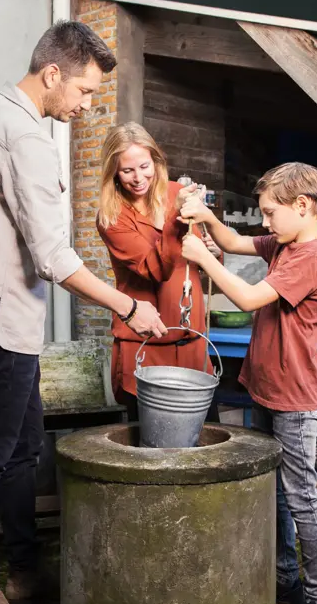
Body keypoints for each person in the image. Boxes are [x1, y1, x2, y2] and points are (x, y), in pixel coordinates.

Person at [0, 21, 168, 604]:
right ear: (52, 74)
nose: (85, 108)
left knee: (23, 447)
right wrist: (128, 307)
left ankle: (25, 570)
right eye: (82, 92)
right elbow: (55, 258)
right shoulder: (24, 138)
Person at [178, 161, 317, 604]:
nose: (265, 223)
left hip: (294, 395)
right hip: (269, 387)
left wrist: (202, 259)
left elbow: (250, 298)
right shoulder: (287, 244)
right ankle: (287, 578)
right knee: (277, 493)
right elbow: (234, 243)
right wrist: (207, 221)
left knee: (302, 500)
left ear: (303, 206)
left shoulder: (312, 257)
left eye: (272, 213)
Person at [95, 123, 222, 421]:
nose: (139, 178)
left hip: (192, 344)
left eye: (144, 166)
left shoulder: (176, 193)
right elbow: (155, 269)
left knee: (206, 448)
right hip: (144, 349)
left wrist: (213, 252)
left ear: (156, 161)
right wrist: (175, 223)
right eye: (127, 170)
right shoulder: (112, 217)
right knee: (151, 453)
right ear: (113, 171)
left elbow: (198, 259)